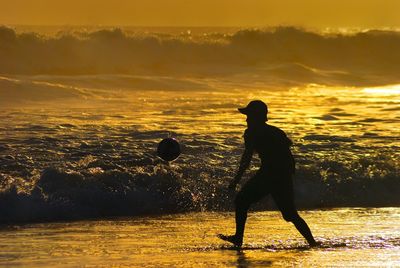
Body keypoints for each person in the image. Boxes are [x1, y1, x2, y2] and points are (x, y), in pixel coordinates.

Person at [218, 100, 318, 248]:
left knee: (241, 201)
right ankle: (313, 243)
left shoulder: (251, 133)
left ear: (257, 117)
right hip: (281, 174)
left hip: (270, 174)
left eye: (249, 116)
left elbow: (246, 158)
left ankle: (238, 238)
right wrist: (287, 175)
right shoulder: (276, 132)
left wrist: (236, 180)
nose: (246, 119)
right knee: (290, 215)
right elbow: (289, 157)